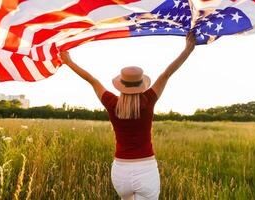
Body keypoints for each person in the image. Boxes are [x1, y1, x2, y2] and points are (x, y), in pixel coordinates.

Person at [60, 32, 196, 200]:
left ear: (121, 85)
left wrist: (69, 62)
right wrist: (187, 50)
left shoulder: (112, 103)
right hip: (146, 170)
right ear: (141, 84)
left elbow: (92, 80)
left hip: (120, 172)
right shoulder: (147, 100)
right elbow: (167, 73)